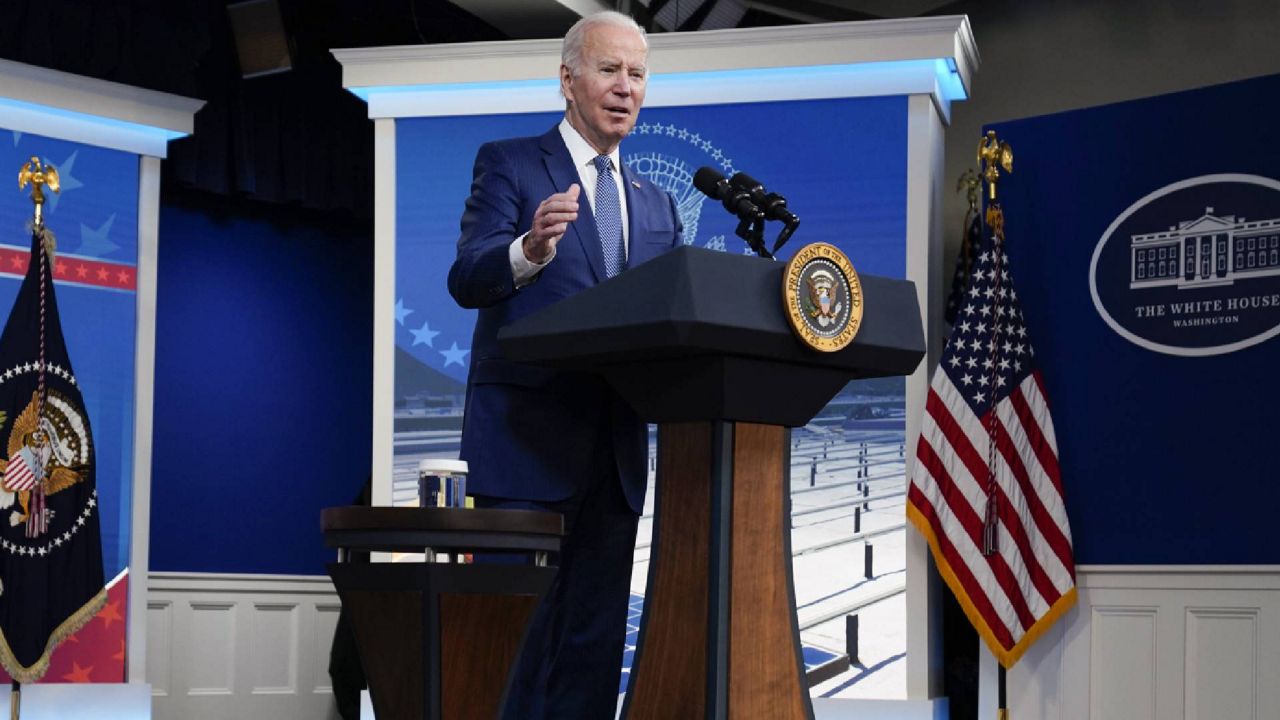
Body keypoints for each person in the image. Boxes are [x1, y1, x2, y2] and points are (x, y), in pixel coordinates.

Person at [446, 10, 682, 720]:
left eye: (637, 74)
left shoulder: (657, 203)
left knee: (592, 652)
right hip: (525, 451)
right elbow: (466, 279)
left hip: (613, 459)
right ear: (568, 80)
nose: (625, 88)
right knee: (513, 650)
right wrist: (529, 252)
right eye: (610, 70)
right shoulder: (512, 162)